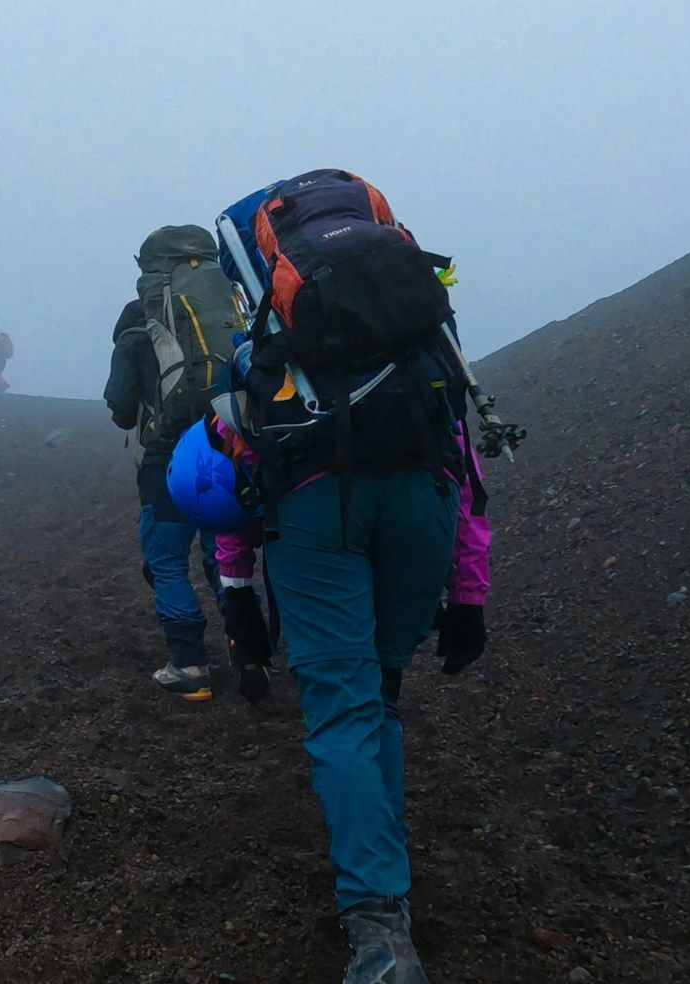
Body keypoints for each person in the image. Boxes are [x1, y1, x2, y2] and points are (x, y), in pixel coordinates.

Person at [207, 170, 495, 984]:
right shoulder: (421, 330)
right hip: (421, 509)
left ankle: (379, 933)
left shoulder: (256, 345)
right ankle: (385, 877)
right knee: (383, 694)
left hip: (312, 517)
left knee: (341, 712)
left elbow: (237, 481)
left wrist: (236, 596)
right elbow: (466, 464)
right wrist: (467, 595)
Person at [104, 299, 225, 701]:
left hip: (167, 465)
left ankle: (190, 664)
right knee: (222, 556)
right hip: (216, 454)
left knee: (167, 564)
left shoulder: (133, 340)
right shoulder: (202, 334)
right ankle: (250, 650)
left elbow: (121, 409)